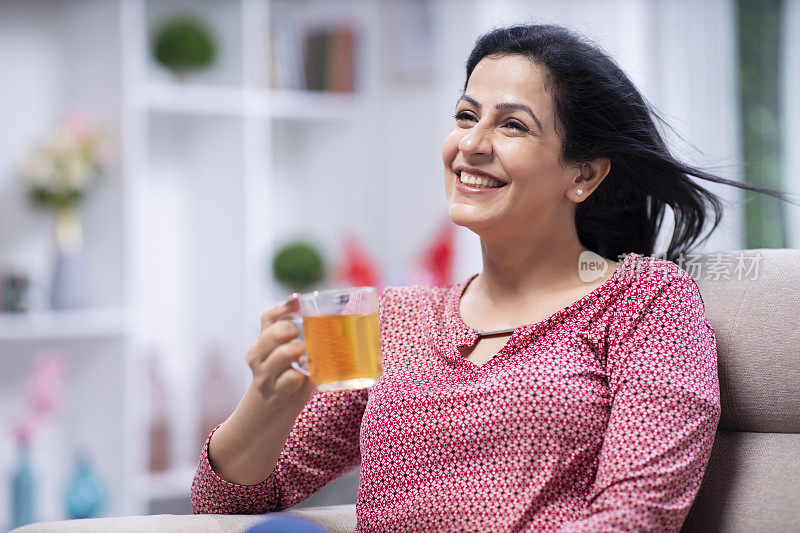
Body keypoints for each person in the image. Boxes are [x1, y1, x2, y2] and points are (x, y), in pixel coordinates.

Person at [190, 24, 796, 532]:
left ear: (583, 174)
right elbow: (226, 504)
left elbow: (634, 517)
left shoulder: (644, 300)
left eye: (513, 125)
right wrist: (269, 402)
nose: (471, 145)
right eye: (465, 115)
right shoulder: (392, 320)